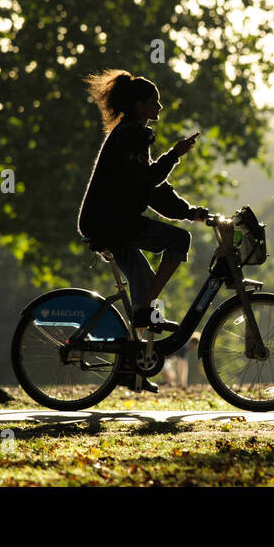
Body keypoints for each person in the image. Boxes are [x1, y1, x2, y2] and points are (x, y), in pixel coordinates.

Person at [77, 69, 210, 349]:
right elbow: (149, 183)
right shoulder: (131, 136)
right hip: (111, 223)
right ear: (139, 105)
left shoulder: (131, 133)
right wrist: (174, 155)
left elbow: (149, 188)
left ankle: (135, 358)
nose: (159, 107)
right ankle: (146, 306)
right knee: (179, 240)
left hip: (106, 222)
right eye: (154, 102)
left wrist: (187, 212)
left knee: (145, 284)